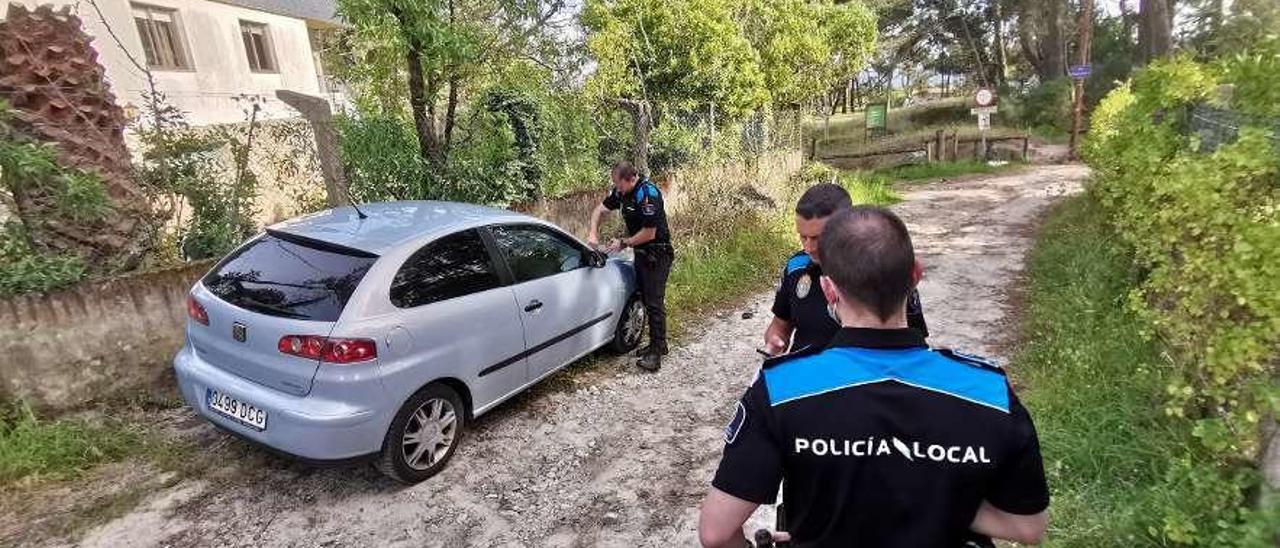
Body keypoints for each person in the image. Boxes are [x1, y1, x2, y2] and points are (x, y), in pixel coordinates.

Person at [699, 206, 1050, 547]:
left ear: (829, 291)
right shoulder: (988, 391)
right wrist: (937, 499)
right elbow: (1027, 526)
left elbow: (716, 533)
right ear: (915, 276)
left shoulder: (781, 390)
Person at [764, 183, 929, 356]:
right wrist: (774, 342)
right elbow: (779, 325)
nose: (809, 248)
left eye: (817, 238)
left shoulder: (881, 269)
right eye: (802, 237)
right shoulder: (795, 268)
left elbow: (913, 342)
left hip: (860, 378)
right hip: (807, 376)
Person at [588, 161, 674, 372]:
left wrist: (623, 242)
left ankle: (656, 352)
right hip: (642, 254)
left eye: (618, 184)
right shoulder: (622, 194)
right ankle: (659, 344)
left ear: (630, 179)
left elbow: (649, 233)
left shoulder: (647, 194)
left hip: (658, 253)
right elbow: (599, 210)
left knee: (654, 302)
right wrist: (593, 232)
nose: (616, 188)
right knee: (645, 297)